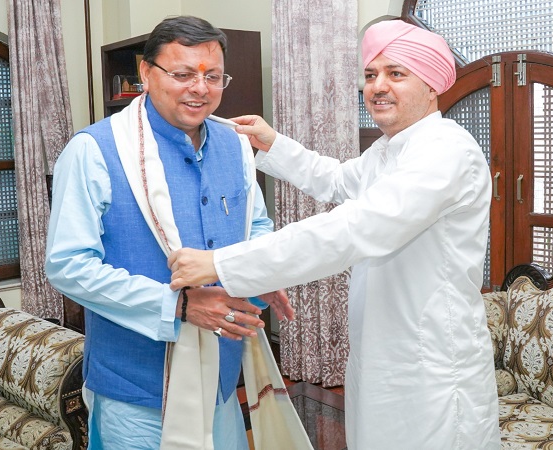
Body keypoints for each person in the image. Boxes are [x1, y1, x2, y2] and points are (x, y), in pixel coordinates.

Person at [168, 19, 501, 450]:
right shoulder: (389, 149)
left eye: (396, 73)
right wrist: (273, 144)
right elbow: (338, 180)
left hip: (433, 367)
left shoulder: (446, 152)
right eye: (371, 75)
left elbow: (352, 229)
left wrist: (222, 263)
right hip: (380, 354)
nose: (378, 86)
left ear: (431, 85)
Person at [45, 15, 295, 450]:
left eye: (212, 76)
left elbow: (255, 224)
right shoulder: (93, 150)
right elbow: (69, 266)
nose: (200, 88)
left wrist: (258, 271)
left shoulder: (235, 143)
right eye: (182, 74)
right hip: (136, 389)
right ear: (146, 72)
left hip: (221, 373)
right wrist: (178, 305)